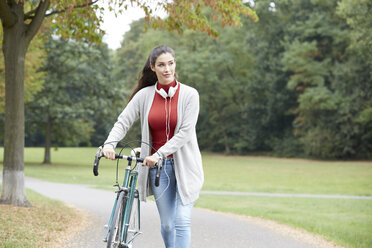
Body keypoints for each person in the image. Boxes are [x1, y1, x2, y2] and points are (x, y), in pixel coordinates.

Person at [102, 45, 204, 248]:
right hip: (159, 171)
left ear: (175, 64)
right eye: (161, 65)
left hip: (187, 166)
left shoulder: (190, 95)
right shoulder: (145, 96)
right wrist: (109, 144)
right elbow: (123, 121)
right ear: (153, 67)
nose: (167, 69)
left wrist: (159, 153)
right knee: (167, 225)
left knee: (182, 221)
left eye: (171, 63)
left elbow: (185, 133)